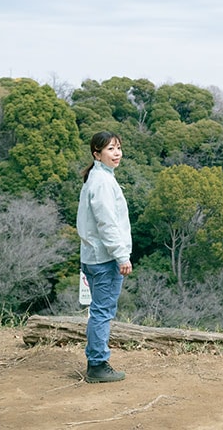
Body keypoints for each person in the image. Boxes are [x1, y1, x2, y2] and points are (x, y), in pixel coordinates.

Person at [77, 131, 133, 383]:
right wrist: (121, 256)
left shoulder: (98, 178)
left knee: (99, 310)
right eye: (110, 149)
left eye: (118, 148)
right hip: (104, 258)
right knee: (102, 312)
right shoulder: (102, 182)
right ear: (97, 154)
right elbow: (107, 223)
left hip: (94, 255)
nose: (117, 153)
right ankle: (97, 365)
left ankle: (97, 361)